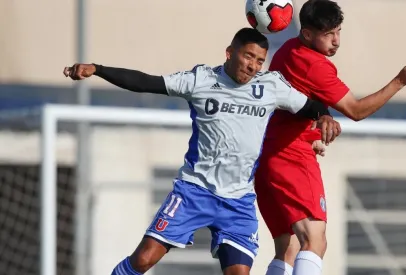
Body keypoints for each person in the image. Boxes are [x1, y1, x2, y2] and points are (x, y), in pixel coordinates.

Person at [63, 28, 341, 275]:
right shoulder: (201, 80)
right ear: (230, 53)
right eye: (248, 57)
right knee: (144, 260)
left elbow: (311, 105)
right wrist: (97, 69)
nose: (253, 66)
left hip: (238, 201)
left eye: (259, 60)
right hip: (194, 192)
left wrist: (325, 115)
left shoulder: (270, 87)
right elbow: (146, 82)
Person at [254, 1, 406, 275]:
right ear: (308, 34)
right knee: (315, 241)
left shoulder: (287, 50)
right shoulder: (315, 65)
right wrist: (399, 81)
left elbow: (296, 102)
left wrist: (314, 128)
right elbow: (356, 111)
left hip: (268, 157)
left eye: (339, 31)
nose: (336, 41)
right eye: (328, 34)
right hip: (291, 157)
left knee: (289, 249)